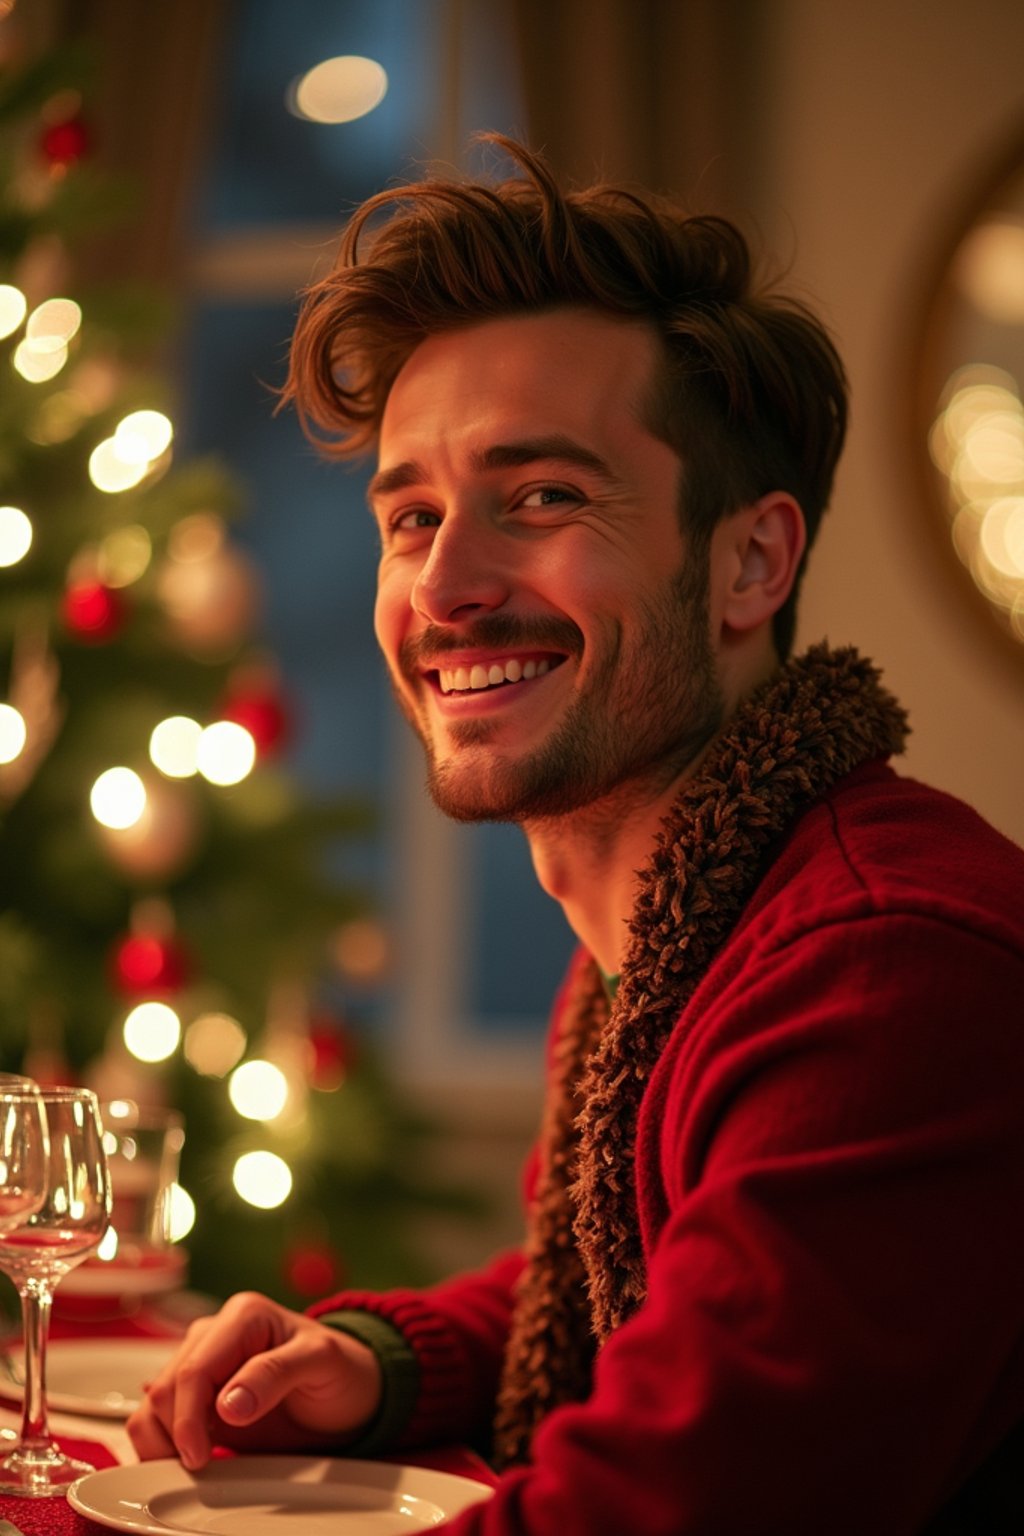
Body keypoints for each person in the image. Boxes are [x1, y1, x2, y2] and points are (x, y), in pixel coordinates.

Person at [127, 137, 1024, 1534]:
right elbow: (640, 1289)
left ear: (751, 560)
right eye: (410, 514)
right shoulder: (679, 926)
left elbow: (662, 1507)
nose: (447, 586)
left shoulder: (889, 962)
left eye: (540, 498)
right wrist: (370, 1366)